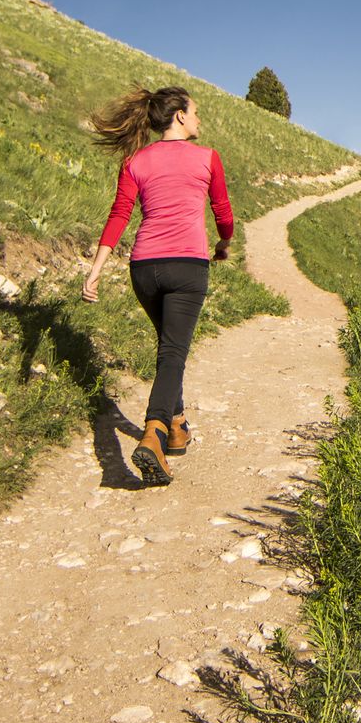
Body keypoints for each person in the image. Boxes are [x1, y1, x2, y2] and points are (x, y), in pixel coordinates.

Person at [82, 86, 233, 485]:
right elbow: (223, 212)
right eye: (196, 112)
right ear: (180, 115)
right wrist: (223, 242)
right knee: (173, 352)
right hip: (186, 266)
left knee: (169, 347)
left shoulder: (135, 161)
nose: (200, 119)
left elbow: (119, 215)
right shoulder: (207, 158)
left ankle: (177, 423)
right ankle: (153, 434)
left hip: (143, 269)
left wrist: (96, 268)